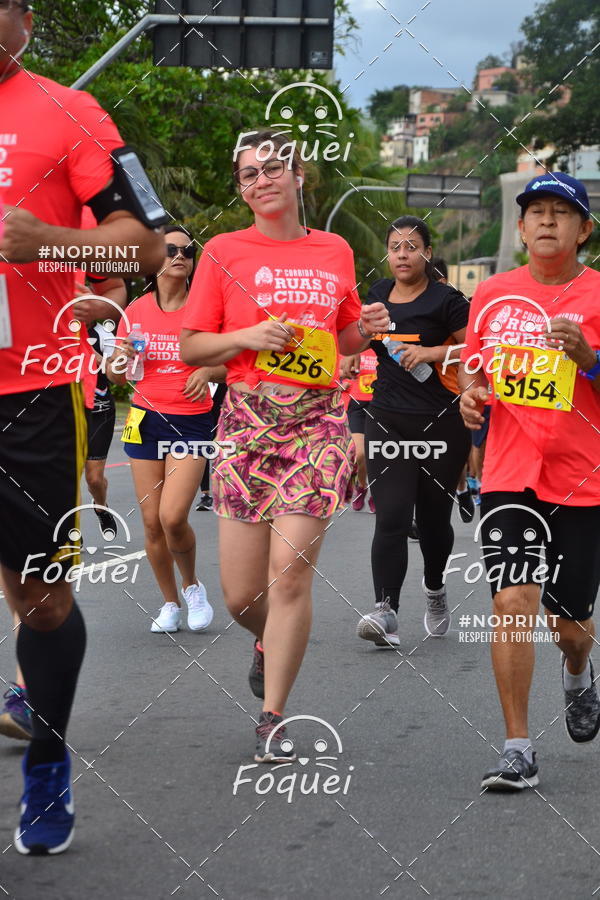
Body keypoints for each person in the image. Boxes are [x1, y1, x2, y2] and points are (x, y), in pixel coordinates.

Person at [0, 2, 164, 855]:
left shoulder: (69, 111)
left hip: (30, 394)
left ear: (25, 20)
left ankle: (49, 763)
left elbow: (145, 246)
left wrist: (51, 244)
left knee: (44, 603)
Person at [180, 129, 389, 762]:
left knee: (291, 575)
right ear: (241, 190)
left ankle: (273, 717)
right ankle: (265, 640)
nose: (261, 180)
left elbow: (345, 339)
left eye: (273, 168)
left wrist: (366, 328)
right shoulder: (221, 252)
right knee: (243, 595)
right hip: (246, 424)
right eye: (248, 174)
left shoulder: (334, 250)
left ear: (299, 175)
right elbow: (192, 345)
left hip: (319, 425)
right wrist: (249, 334)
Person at [458, 173, 600, 791]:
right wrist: (469, 399)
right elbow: (472, 375)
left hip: (581, 478)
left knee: (567, 623)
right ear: (519, 228)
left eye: (560, 213)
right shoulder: (492, 294)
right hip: (510, 476)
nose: (546, 221)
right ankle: (517, 745)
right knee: (512, 602)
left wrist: (590, 361)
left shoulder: (598, 293)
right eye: (535, 212)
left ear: (583, 230)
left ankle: (578, 670)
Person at [356, 216, 471, 648]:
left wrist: (433, 351)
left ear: (426, 252)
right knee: (391, 517)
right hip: (386, 417)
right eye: (395, 246)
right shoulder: (378, 295)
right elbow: (365, 339)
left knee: (433, 520)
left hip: (442, 421)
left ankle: (436, 586)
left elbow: (480, 348)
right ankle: (386, 612)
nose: (402, 254)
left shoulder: (447, 300)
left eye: (411, 246)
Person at [110, 227, 221, 634]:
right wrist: (118, 361)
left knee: (173, 516)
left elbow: (236, 361)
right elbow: (115, 372)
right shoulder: (135, 310)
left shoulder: (205, 309)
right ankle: (170, 602)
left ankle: (192, 586)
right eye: (170, 250)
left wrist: (209, 369)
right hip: (144, 419)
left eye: (187, 251)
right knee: (152, 522)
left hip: (190, 421)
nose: (179, 256)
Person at [342, 350, 378, 513]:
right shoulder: (354, 346)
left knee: (378, 454)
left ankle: (376, 495)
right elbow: (335, 372)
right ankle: (361, 485)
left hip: (380, 405)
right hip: (357, 406)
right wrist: (341, 382)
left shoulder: (385, 345)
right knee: (360, 454)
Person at [196, 382, 228, 511]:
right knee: (202, 452)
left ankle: (226, 493)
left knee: (222, 453)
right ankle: (205, 495)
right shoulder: (197, 377)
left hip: (223, 419)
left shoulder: (224, 379)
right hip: (200, 419)